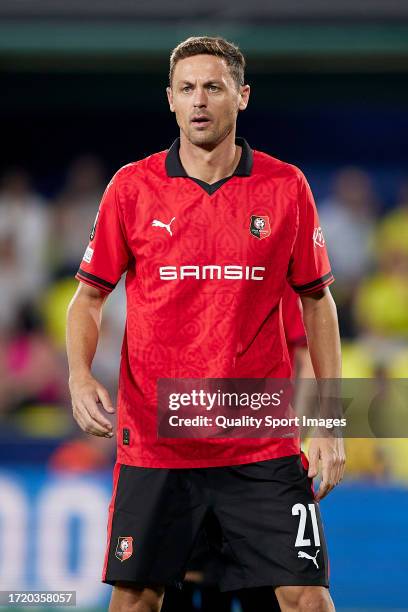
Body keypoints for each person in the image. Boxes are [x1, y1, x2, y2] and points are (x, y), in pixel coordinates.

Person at [66, 36, 345, 612]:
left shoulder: (285, 186)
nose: (200, 100)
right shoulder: (132, 187)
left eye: (213, 87)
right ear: (170, 99)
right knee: (137, 600)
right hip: (155, 443)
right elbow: (87, 299)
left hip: (260, 441)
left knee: (306, 598)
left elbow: (318, 304)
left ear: (241, 96)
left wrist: (330, 425)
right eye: (187, 88)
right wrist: (77, 374)